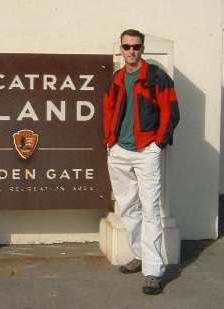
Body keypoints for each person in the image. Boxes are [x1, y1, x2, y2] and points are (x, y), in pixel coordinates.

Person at [103, 29, 180, 295]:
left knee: (150, 211)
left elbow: (171, 111)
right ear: (121, 49)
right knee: (127, 208)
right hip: (120, 151)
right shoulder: (117, 78)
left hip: (147, 150)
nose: (132, 51)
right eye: (127, 47)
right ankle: (140, 255)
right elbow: (108, 109)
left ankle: (153, 271)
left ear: (142, 48)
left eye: (136, 46)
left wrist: (158, 144)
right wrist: (110, 140)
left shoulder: (157, 77)